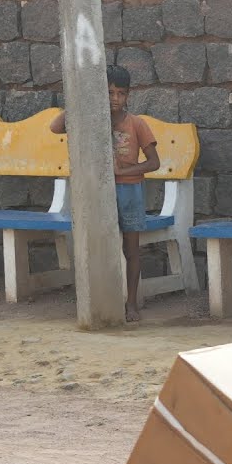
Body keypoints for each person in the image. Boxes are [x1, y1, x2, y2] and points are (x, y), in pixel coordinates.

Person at [51, 65, 159, 323]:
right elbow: (56, 127)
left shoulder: (136, 124)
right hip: (100, 192)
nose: (115, 99)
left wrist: (123, 171)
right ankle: (100, 301)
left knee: (131, 250)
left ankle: (131, 304)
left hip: (130, 191)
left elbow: (154, 163)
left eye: (121, 94)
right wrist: (80, 101)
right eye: (109, 93)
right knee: (99, 247)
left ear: (128, 96)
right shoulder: (91, 120)